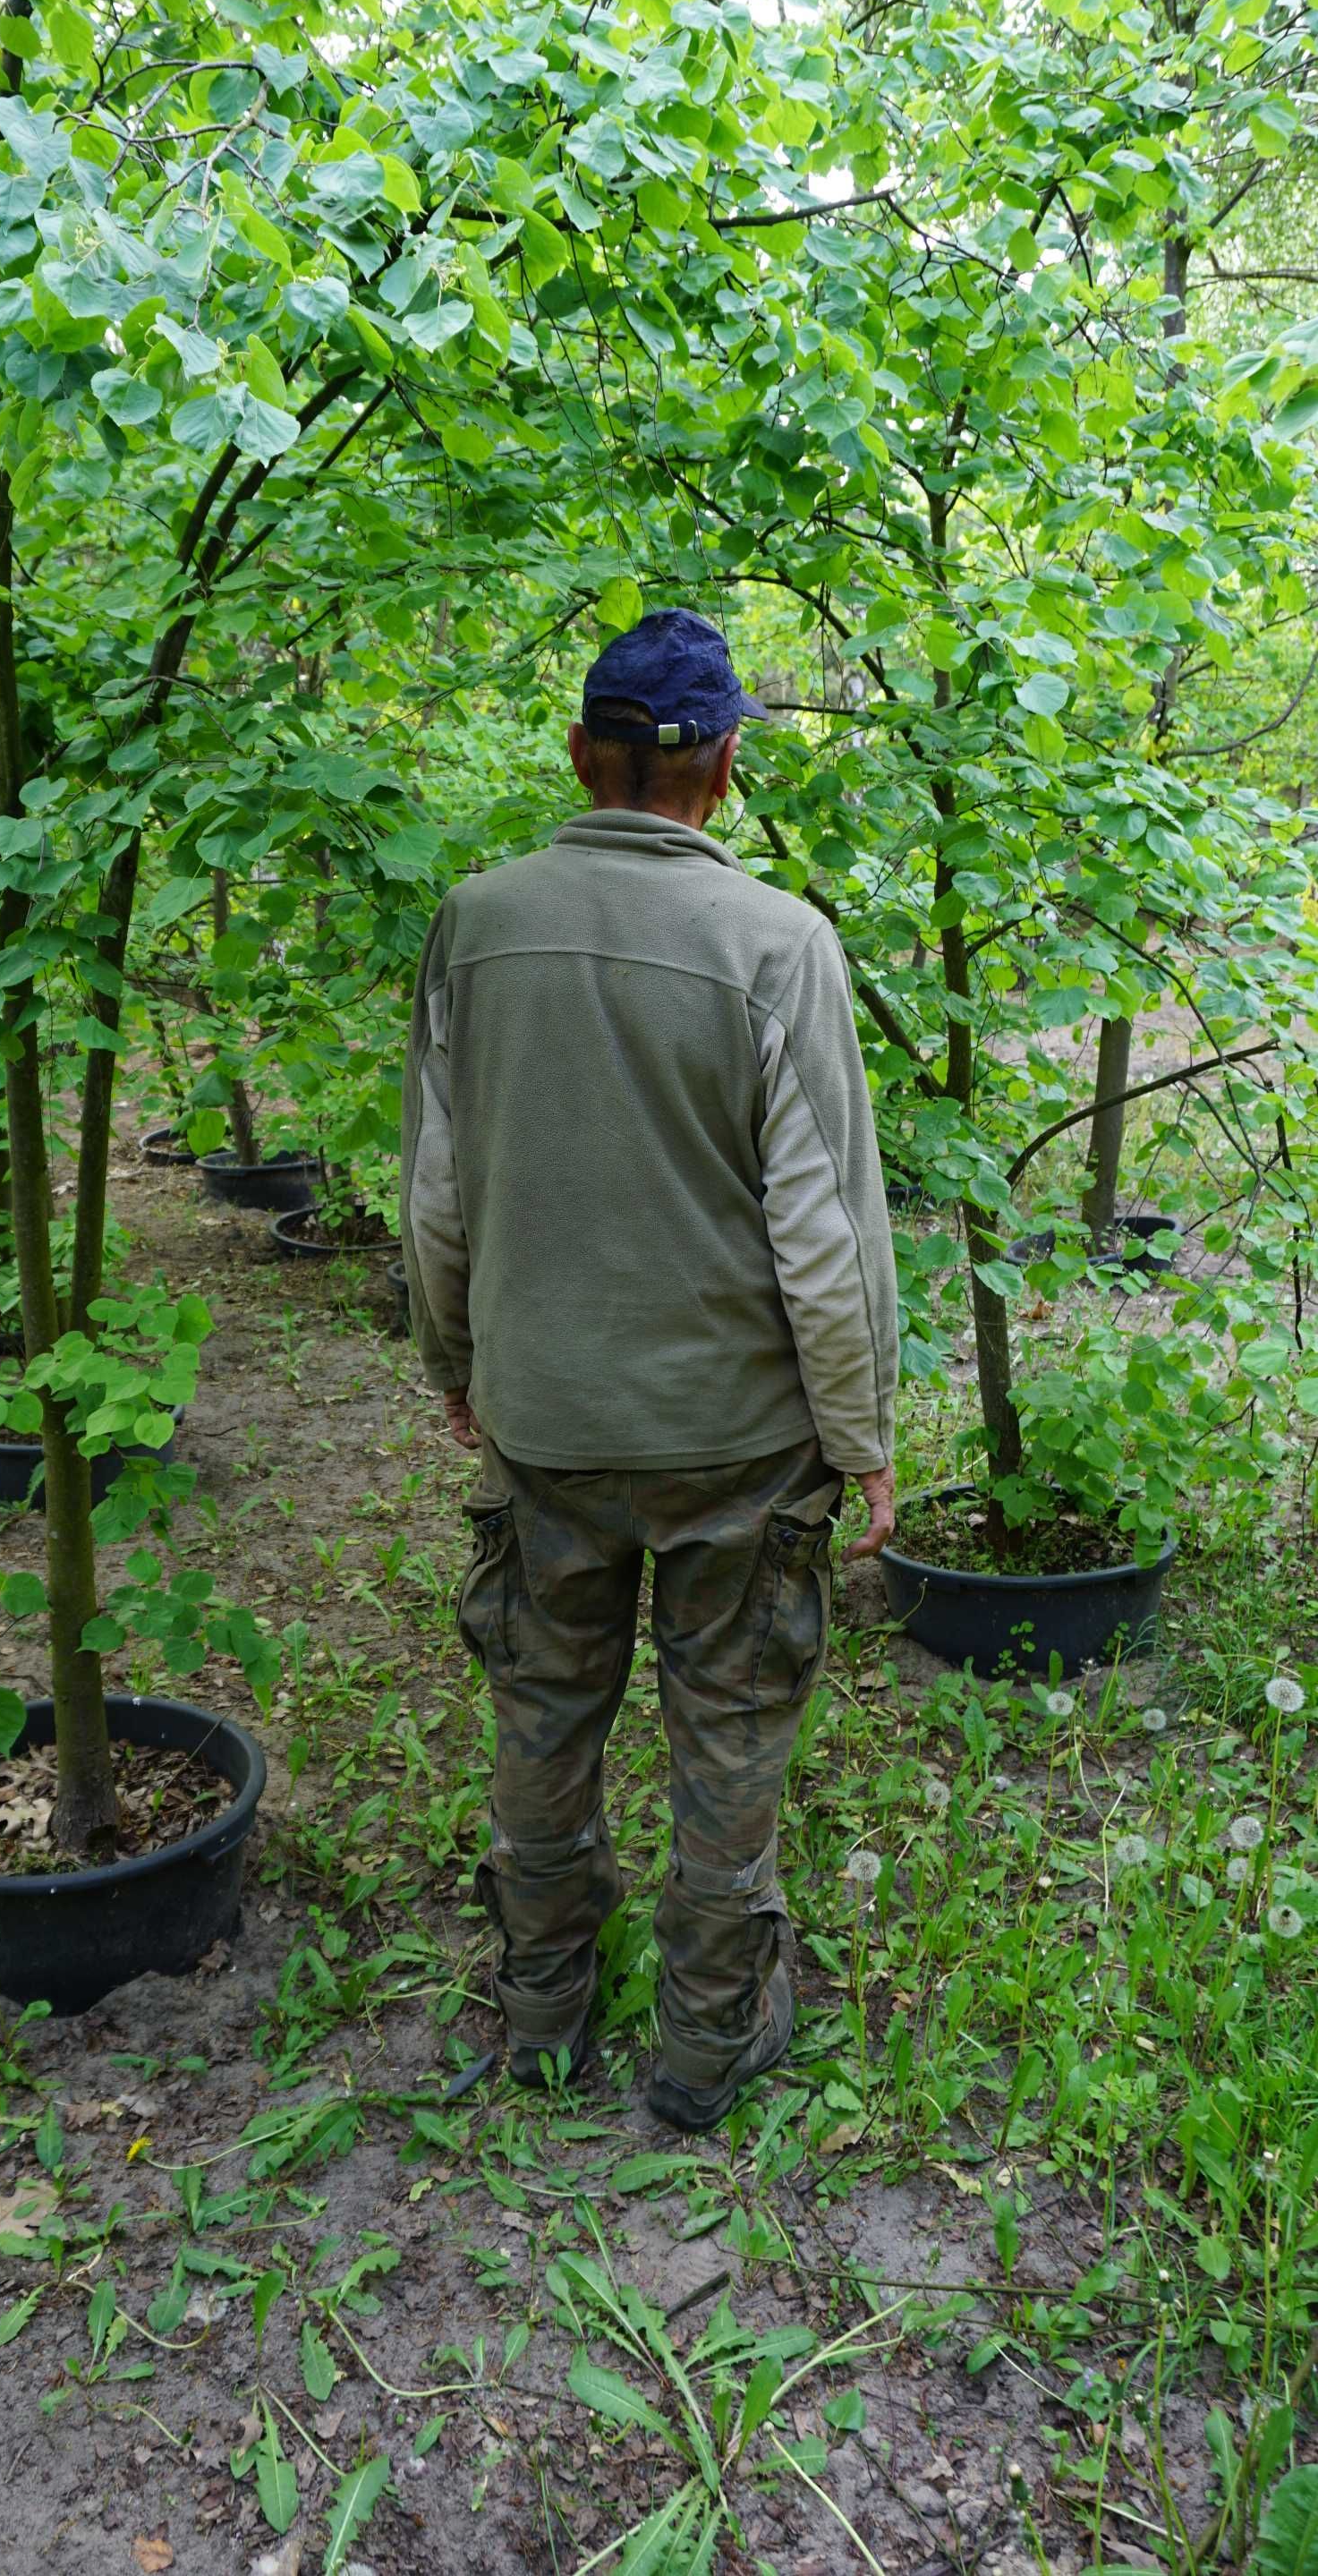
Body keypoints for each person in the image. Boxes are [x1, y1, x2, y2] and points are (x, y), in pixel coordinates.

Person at [399, 606, 899, 2131]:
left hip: (546, 1424)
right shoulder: (777, 946)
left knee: (542, 1715)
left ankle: (543, 2007)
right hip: (736, 1445)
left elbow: (435, 1190)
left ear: (578, 754)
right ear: (728, 769)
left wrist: (460, 1361)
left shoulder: (475, 924)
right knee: (729, 1725)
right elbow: (822, 1233)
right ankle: (706, 2038)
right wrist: (861, 1435)